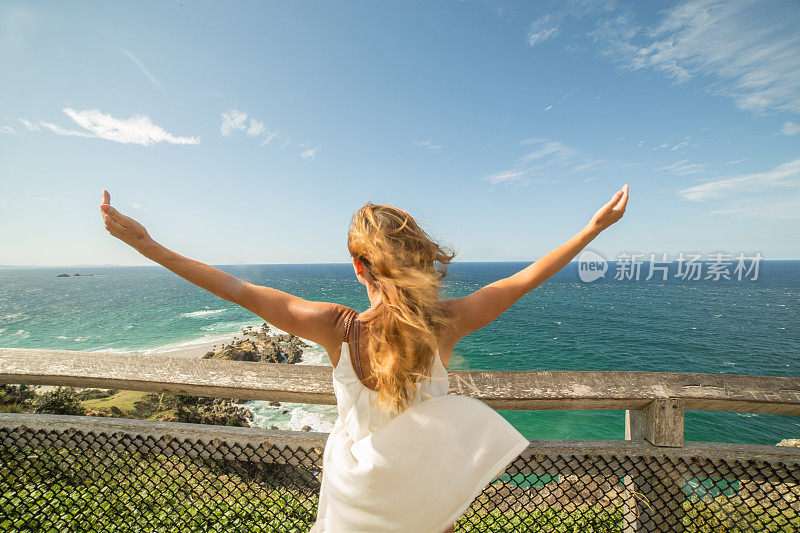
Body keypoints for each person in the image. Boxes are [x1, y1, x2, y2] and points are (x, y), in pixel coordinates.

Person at [98, 185, 629, 532]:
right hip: (422, 494)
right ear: (419, 261)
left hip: (360, 494)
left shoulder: (337, 327)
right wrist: (592, 229)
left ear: (358, 265)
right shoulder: (444, 324)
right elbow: (523, 278)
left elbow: (237, 289)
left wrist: (149, 246)